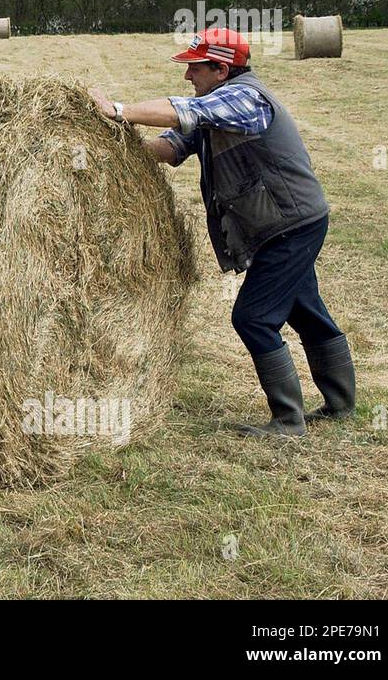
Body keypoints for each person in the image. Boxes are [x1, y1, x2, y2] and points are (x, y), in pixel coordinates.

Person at [87, 26, 356, 437]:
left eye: (194, 67)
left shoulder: (245, 97)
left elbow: (180, 110)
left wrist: (119, 109)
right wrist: (113, 147)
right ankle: (340, 405)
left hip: (290, 224)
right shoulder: (215, 105)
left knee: (253, 317)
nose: (187, 76)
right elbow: (171, 146)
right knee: (305, 309)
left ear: (220, 68)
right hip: (279, 224)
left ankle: (288, 421)